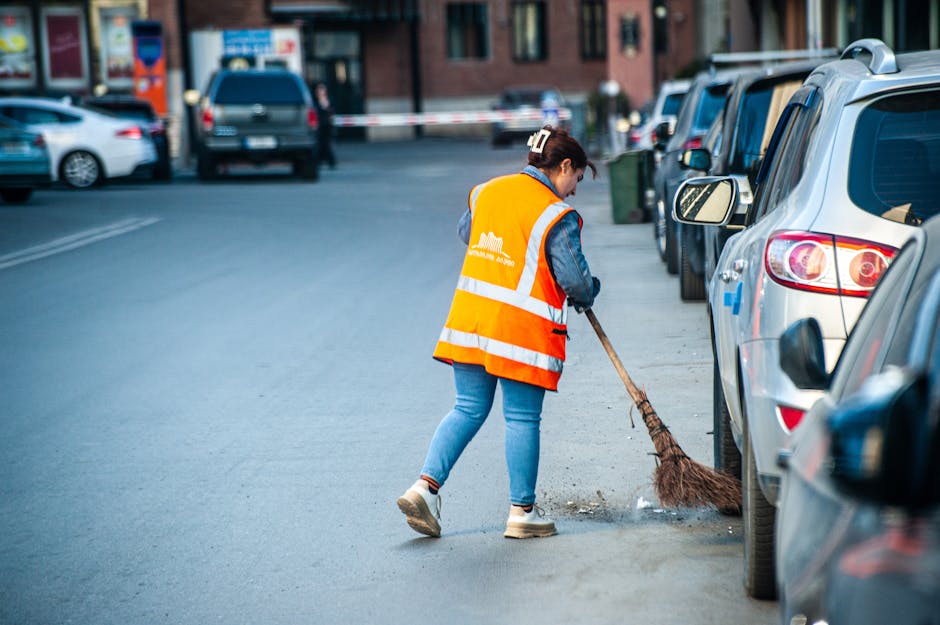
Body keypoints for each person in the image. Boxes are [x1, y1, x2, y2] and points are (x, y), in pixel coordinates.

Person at [397, 126, 600, 539]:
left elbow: (468, 234)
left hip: (471, 323)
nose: (573, 191)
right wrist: (590, 291)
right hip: (519, 334)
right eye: (576, 178)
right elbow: (576, 282)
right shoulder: (554, 214)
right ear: (563, 166)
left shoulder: (487, 192)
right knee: (522, 417)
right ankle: (521, 512)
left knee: (467, 408)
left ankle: (424, 488)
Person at [314, 82, 336, 168]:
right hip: (319, 126)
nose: (320, 92)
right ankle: (319, 162)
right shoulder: (315, 102)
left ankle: (331, 162)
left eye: (322, 90)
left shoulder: (329, 101)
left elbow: (332, 112)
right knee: (319, 144)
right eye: (319, 90)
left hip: (328, 126)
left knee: (327, 144)